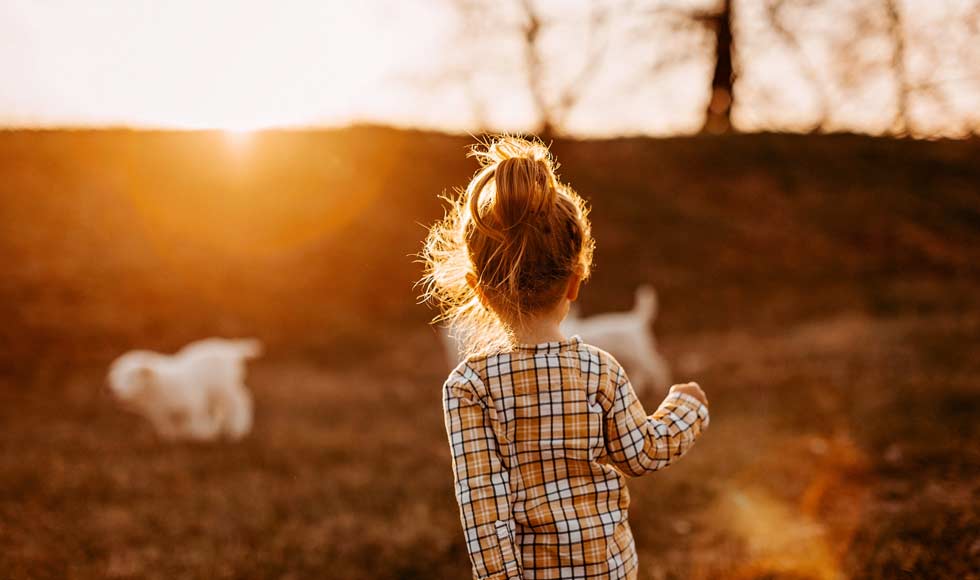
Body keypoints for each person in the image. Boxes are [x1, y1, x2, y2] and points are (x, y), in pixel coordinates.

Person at [420, 135, 709, 579]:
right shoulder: (599, 368)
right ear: (575, 282)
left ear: (477, 290)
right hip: (609, 570)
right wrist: (687, 409)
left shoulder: (468, 387)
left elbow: (483, 509)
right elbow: (641, 453)